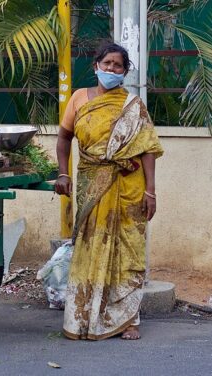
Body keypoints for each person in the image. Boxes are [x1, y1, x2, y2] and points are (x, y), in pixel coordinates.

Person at [54, 40, 163, 341]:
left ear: (125, 72)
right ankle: (83, 316)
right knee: (89, 248)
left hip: (128, 185)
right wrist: (63, 172)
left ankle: (128, 319)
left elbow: (148, 150)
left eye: (118, 66)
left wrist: (150, 192)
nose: (112, 69)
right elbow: (64, 140)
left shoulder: (133, 106)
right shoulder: (78, 98)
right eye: (107, 64)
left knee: (127, 249)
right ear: (96, 67)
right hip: (91, 183)